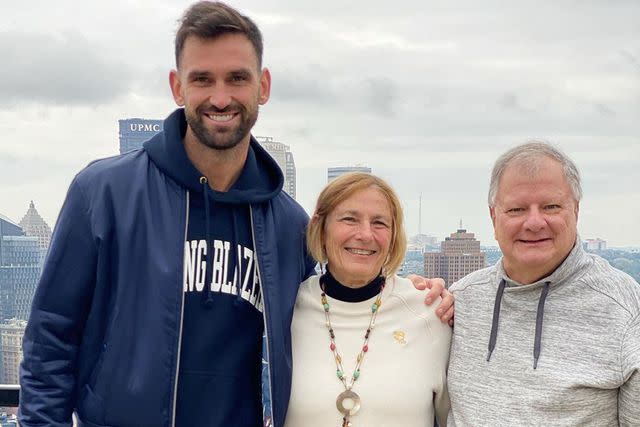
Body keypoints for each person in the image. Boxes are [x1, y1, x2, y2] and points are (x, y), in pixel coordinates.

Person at [18, 2, 452, 427]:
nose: (220, 97)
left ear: (262, 86)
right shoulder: (105, 192)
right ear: (177, 86)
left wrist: (412, 294)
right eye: (202, 79)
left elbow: (331, 307)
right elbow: (51, 339)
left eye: (237, 79)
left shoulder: (287, 224)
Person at [447, 141, 640, 426]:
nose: (534, 222)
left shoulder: (626, 311)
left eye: (550, 206)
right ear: (493, 216)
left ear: (575, 209)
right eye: (516, 210)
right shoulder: (459, 301)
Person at [286, 173, 451, 427]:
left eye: (379, 223)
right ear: (321, 227)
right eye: (349, 219)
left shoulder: (430, 314)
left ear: (394, 235)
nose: (365, 234)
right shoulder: (285, 311)